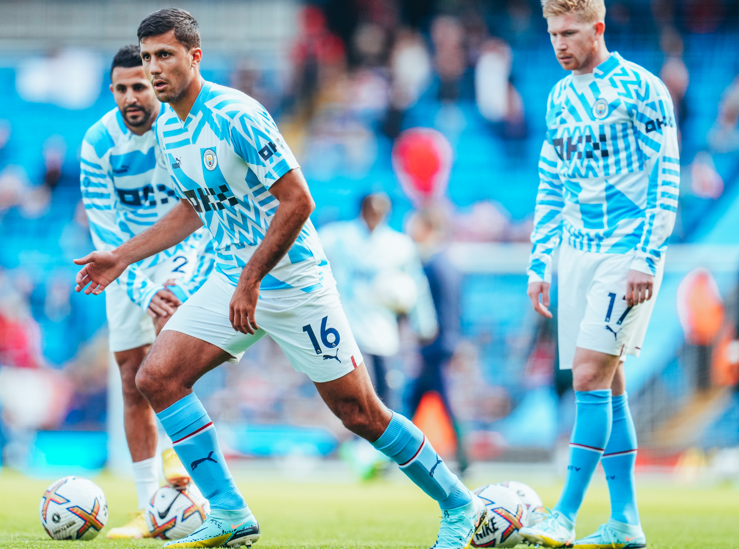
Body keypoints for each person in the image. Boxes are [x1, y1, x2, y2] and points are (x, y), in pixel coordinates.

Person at [74, 9, 487, 549]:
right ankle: (228, 512)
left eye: (165, 55)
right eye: (147, 56)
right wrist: (124, 256)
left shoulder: (237, 114)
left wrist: (251, 280)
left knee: (359, 412)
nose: (154, 68)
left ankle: (463, 506)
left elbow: (299, 201)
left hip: (294, 284)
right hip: (231, 279)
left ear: (194, 57)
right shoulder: (169, 129)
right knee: (156, 377)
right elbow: (194, 209)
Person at [522, 1, 678, 547]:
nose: (560, 44)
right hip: (577, 255)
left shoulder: (643, 89)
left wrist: (647, 258)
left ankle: (563, 513)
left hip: (625, 254)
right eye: (552, 34)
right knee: (608, 389)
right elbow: (551, 184)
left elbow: (666, 177)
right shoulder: (559, 96)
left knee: (586, 375)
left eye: (570, 33)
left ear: (599, 29)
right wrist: (541, 263)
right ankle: (625, 523)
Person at [80, 44, 215, 539]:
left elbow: (198, 209)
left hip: (184, 251)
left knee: (170, 329)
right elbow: (103, 228)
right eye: (121, 88)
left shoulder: (178, 130)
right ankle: (148, 508)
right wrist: (139, 285)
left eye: (139, 85)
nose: (131, 97)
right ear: (111, 90)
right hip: (126, 262)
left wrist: (166, 281)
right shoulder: (97, 143)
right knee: (131, 378)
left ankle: (183, 463)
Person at [318, 193, 437, 403]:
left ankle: (380, 436)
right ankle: (355, 436)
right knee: (356, 394)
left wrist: (424, 325)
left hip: (383, 332)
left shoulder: (399, 246)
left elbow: (417, 286)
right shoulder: (337, 238)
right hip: (347, 330)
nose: (377, 214)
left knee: (385, 394)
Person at [408, 205, 470, 474]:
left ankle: (465, 459)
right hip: (441, 345)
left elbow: (441, 311)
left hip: (436, 347)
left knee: (434, 402)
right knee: (414, 401)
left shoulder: (434, 265)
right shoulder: (447, 263)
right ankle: (392, 456)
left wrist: (435, 341)